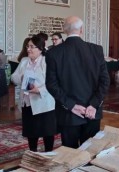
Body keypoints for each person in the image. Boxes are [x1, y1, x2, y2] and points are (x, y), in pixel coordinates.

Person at [46, 16, 110, 148]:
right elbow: (104, 81)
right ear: (81, 30)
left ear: (64, 30)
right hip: (92, 113)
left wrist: (71, 105)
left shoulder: (54, 53)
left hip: (69, 114)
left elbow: (51, 84)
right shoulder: (96, 50)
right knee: (90, 153)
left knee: (70, 156)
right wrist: (93, 105)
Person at [11, 35, 56, 152]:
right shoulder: (24, 61)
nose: (28, 49)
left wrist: (40, 90)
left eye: (32, 46)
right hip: (27, 102)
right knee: (31, 132)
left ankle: (48, 153)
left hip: (44, 102)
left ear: (40, 48)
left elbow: (53, 82)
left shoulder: (47, 61)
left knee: (47, 131)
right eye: (27, 46)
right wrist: (21, 78)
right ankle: (33, 152)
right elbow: (14, 77)